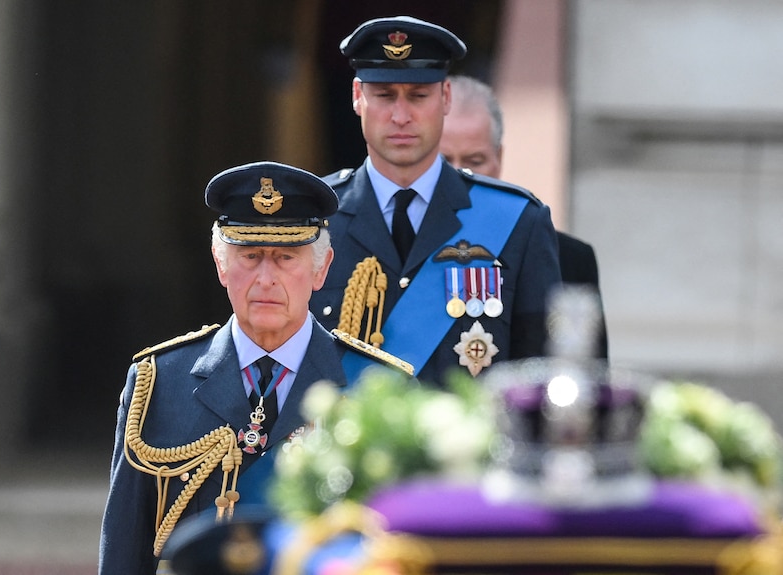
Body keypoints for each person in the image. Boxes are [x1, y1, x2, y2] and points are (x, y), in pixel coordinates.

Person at [98, 161, 412, 575]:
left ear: (321, 267)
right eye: (249, 256)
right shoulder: (158, 382)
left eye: (285, 257)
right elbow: (125, 551)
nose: (266, 278)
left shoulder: (378, 387)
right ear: (220, 263)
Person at [309, 16, 562, 385]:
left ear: (444, 97)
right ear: (357, 97)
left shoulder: (517, 221)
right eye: (384, 95)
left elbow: (541, 374)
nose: (400, 116)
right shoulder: (312, 221)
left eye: (418, 95)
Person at [440, 74, 608, 359]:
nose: (461, 176)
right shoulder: (395, 246)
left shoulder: (569, 258)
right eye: (445, 162)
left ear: (499, 158)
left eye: (475, 161)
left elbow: (587, 380)